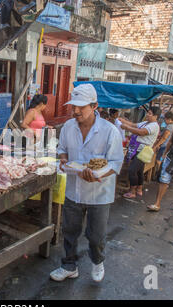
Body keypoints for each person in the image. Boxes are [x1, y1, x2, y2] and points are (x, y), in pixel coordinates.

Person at [49, 84, 124, 283]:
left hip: (99, 192)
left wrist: (98, 173)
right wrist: (64, 159)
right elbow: (62, 149)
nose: (75, 111)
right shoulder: (68, 126)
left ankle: (98, 261)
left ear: (95, 106)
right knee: (70, 231)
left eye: (81, 107)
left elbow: (116, 162)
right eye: (74, 106)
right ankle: (69, 266)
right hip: (74, 190)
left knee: (96, 236)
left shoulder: (109, 131)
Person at [119, 107, 161, 198]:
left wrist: (126, 127)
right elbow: (134, 125)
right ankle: (139, 189)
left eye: (150, 113)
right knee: (139, 171)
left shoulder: (154, 125)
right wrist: (123, 121)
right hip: (137, 149)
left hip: (143, 151)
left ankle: (132, 191)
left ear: (156, 116)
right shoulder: (146, 123)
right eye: (148, 113)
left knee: (132, 170)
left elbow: (141, 132)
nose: (147, 115)